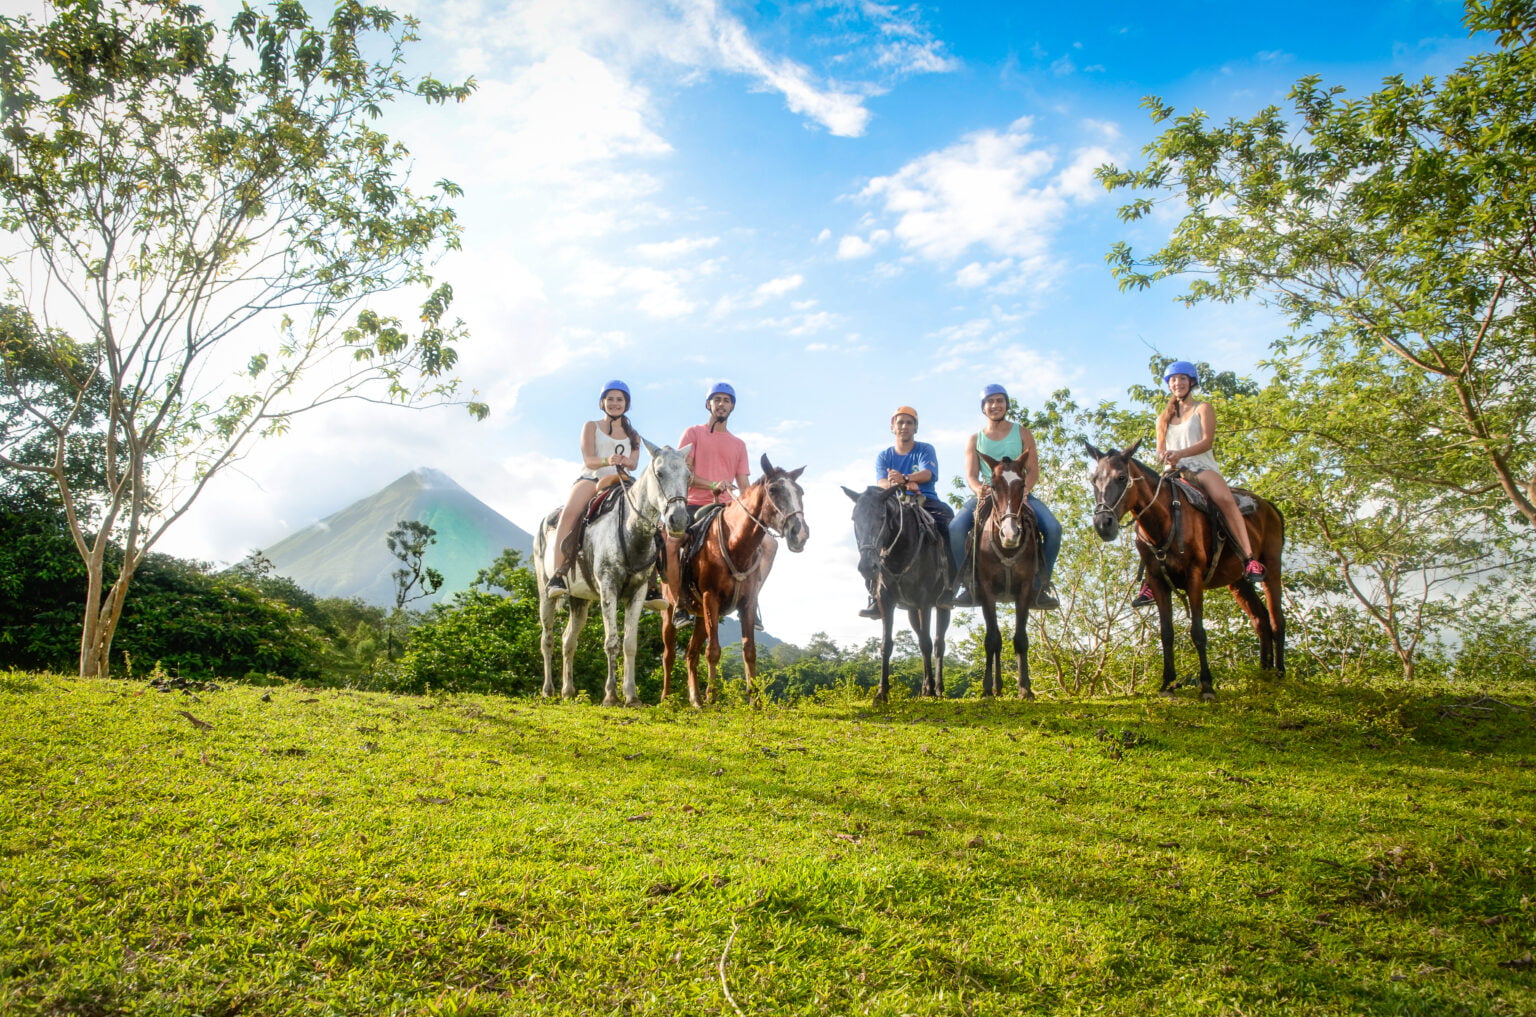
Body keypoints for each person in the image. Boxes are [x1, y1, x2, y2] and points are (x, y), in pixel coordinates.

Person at [1132, 360, 1265, 606]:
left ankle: (1249, 558)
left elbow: (1207, 442)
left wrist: (1181, 454)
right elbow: (1160, 450)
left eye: (1182, 379)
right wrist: (1166, 456)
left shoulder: (1203, 408)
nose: (1177, 383)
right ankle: (1148, 582)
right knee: (1148, 511)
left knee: (1225, 500)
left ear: (1191, 381)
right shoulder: (1163, 418)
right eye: (1173, 380)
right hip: (1173, 472)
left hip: (1201, 467)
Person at [947, 383, 1061, 609]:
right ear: (983, 407)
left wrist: (1024, 491)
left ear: (1006, 404)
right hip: (989, 493)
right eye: (990, 402)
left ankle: (1040, 586)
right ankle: (970, 585)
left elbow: (1033, 470)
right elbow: (971, 476)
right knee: (956, 528)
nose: (995, 405)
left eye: (999, 400)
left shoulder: (1022, 432)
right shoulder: (975, 439)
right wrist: (978, 488)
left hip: (1019, 494)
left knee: (1054, 528)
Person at [662, 382, 752, 626]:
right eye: (717, 399)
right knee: (672, 544)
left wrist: (752, 510)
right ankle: (678, 602)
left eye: (727, 400)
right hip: (693, 504)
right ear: (708, 404)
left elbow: (744, 485)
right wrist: (713, 485)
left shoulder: (739, 444)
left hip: (728, 509)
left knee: (763, 545)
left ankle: (751, 603)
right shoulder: (693, 433)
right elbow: (684, 473)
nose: (722, 404)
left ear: (732, 406)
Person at [859, 405, 956, 618]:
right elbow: (882, 482)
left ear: (915, 427)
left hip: (926, 500)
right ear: (892, 427)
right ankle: (874, 595)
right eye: (900, 422)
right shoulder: (884, 456)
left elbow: (927, 474)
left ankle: (950, 586)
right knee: (870, 531)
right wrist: (900, 485)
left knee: (949, 527)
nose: (904, 426)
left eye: (909, 422)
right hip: (895, 504)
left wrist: (904, 479)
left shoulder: (925, 449)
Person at [546, 380, 640, 595]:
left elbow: (634, 462)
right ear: (602, 402)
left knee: (650, 517)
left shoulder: (634, 435)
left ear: (627, 403)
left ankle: (653, 583)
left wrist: (626, 462)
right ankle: (558, 574)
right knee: (569, 513)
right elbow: (589, 459)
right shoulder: (591, 426)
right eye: (610, 399)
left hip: (622, 481)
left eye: (620, 399)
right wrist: (609, 460)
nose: (615, 403)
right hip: (592, 477)